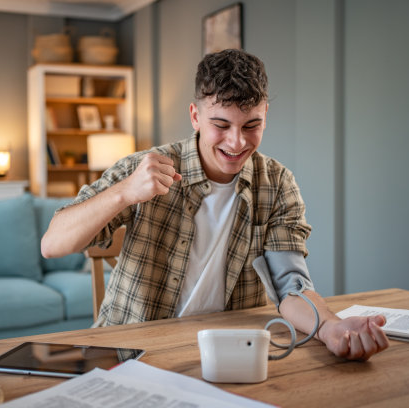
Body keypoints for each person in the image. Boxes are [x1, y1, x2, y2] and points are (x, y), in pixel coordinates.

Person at [42, 49, 389, 361]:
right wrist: (124, 192)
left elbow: (291, 288)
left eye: (251, 125)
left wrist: (331, 327)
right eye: (220, 125)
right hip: (128, 353)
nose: (237, 142)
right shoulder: (145, 168)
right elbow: (52, 245)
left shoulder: (277, 184)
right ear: (195, 116)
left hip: (227, 354)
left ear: (265, 114)